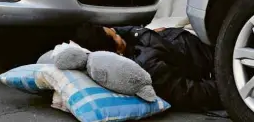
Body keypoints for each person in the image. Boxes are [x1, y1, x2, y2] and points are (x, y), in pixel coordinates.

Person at [70, 24, 222, 112]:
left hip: (201, 41)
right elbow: (189, 93)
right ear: (116, 49)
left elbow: (122, 31)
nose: (115, 30)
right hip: (216, 62)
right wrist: (229, 87)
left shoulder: (126, 40)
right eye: (114, 34)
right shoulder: (148, 66)